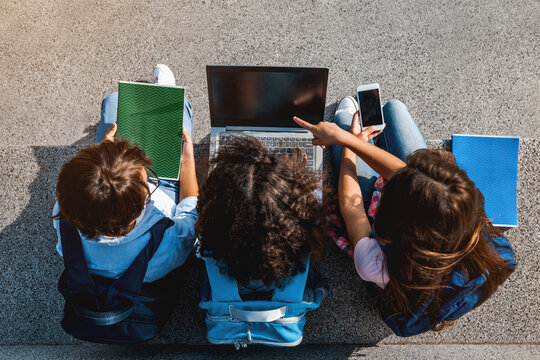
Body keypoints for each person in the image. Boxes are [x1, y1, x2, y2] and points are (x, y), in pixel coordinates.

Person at [293, 97, 516, 336]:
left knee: (346, 121)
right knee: (394, 108)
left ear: (392, 217)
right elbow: (409, 177)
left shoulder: (375, 264)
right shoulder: (463, 212)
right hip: (423, 228)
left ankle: (351, 131)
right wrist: (347, 139)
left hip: (396, 252)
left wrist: (349, 145)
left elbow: (352, 207)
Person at [53, 64, 198, 283]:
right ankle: (164, 94)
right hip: (170, 193)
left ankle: (152, 101)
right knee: (179, 107)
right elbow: (190, 211)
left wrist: (103, 155)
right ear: (142, 204)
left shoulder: (68, 219)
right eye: (146, 178)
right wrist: (187, 159)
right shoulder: (169, 238)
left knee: (113, 101)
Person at [196, 136, 326, 297]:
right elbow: (315, 236)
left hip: (234, 278)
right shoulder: (295, 239)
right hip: (281, 280)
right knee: (311, 274)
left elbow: (200, 227)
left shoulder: (215, 233)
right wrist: (297, 184)